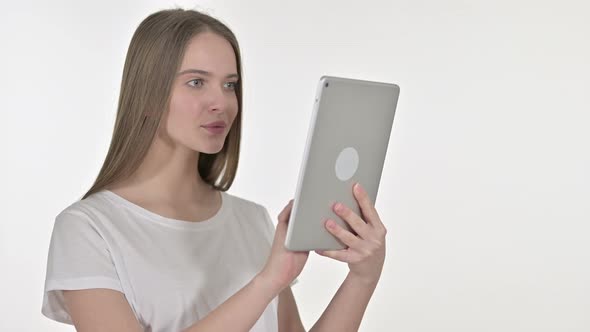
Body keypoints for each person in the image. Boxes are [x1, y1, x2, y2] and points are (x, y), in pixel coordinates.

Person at [42, 8, 387, 332]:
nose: (221, 103)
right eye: (196, 82)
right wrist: (266, 283)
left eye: (230, 85)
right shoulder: (89, 230)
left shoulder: (252, 221)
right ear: (147, 95)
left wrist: (362, 279)